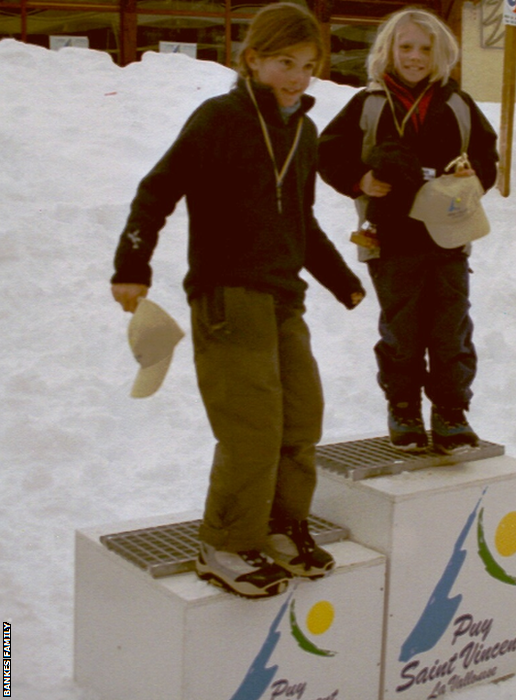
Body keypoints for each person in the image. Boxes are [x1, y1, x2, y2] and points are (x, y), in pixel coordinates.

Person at [110, 2, 365, 599]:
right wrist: (131, 263)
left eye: (308, 65)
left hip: (283, 300)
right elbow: (158, 190)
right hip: (228, 297)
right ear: (252, 61)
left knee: (301, 419)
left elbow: (299, 219)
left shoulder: (302, 132)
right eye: (284, 63)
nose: (297, 77)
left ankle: (278, 527)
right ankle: (225, 543)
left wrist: (341, 280)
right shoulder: (219, 119)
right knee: (251, 428)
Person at [318, 8, 498, 453]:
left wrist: (471, 182)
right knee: (402, 329)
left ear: (441, 54)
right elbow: (327, 154)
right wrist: (360, 180)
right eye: (406, 47)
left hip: (447, 237)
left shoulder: (458, 104)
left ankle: (451, 413)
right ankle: (404, 408)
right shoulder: (369, 104)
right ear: (388, 51)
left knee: (450, 327)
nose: (415, 57)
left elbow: (488, 159)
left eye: (425, 48)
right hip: (391, 237)